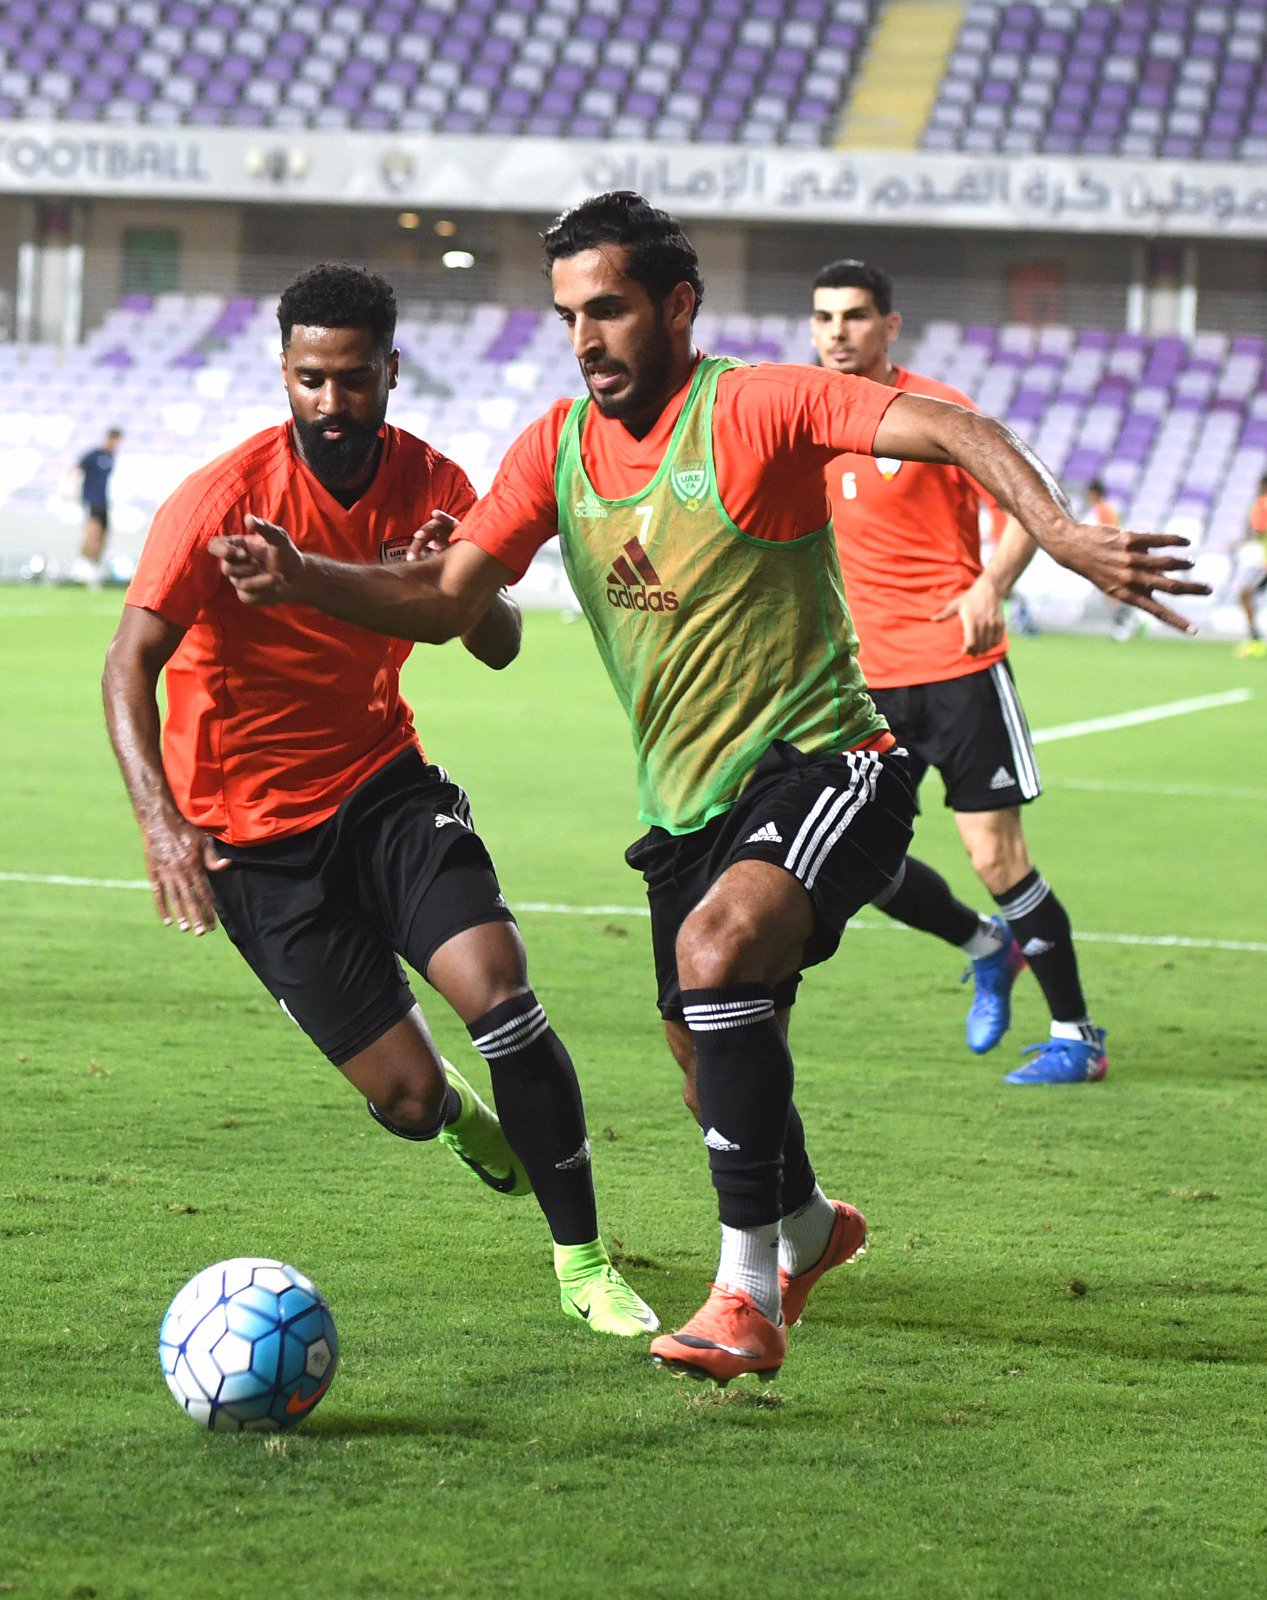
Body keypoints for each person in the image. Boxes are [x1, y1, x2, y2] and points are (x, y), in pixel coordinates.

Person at [209, 195, 1204, 1387]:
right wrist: (304, 575)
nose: (586, 338)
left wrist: (1059, 532)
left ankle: (746, 1297)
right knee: (702, 1057)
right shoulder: (553, 449)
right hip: (686, 809)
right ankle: (808, 1226)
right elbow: (446, 603)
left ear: (677, 305)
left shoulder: (756, 405)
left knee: (717, 952)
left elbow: (951, 425)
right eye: (568, 315)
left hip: (831, 762)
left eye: (610, 308)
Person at [102, 263, 658, 1340]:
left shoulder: (434, 483)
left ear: (390, 371)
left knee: (498, 990)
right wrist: (160, 824)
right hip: (254, 841)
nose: (330, 401)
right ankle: (454, 1114)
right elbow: (128, 661)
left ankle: (584, 1262)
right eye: (309, 378)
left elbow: (498, 643)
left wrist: (459, 584)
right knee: (404, 1100)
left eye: (352, 378)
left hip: (381, 787)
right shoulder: (221, 500)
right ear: (284, 372)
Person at [810, 259, 1112, 1086]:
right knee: (854, 858)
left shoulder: (938, 412)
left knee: (994, 856)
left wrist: (990, 584)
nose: (837, 331)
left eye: (854, 315)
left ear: (889, 326)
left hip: (957, 667)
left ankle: (1077, 1038)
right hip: (862, 682)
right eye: (824, 317)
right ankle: (985, 946)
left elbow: (1027, 500)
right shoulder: (809, 417)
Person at [74, 427, 122, 587]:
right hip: (92, 500)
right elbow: (77, 469)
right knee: (93, 533)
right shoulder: (95, 455)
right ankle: (82, 566)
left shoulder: (111, 458)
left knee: (104, 536)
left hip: (104, 502)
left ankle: (93, 566)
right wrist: (72, 487)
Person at [1235, 473, 1267, 659]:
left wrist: (1239, 543)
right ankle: (1255, 639)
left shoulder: (1262, 504)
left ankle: (1255, 639)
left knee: (1244, 594)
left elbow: (1258, 531)